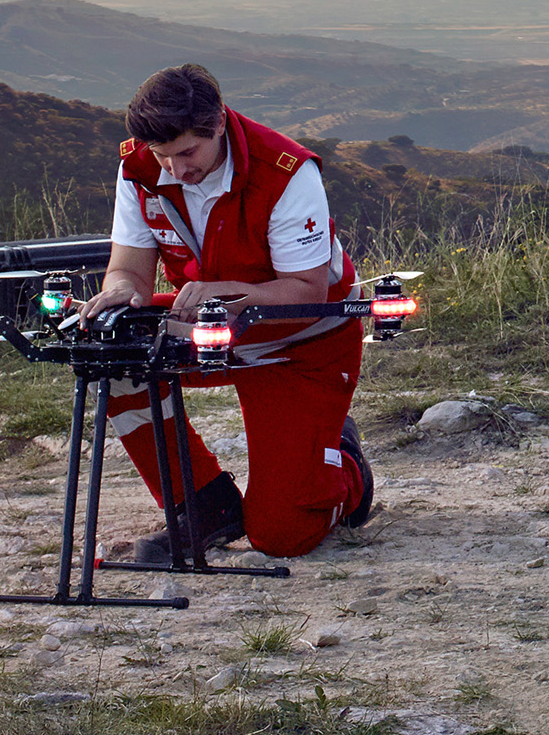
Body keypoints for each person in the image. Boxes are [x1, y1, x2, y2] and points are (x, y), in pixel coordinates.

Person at [73, 64, 376, 565]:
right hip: (212, 326)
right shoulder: (140, 167)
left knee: (282, 535)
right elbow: (127, 269)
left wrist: (224, 289)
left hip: (300, 341)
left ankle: (346, 469)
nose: (175, 169)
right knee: (113, 354)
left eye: (187, 152)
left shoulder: (286, 171)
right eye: (162, 155)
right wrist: (118, 295)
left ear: (217, 124)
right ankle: (202, 506)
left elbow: (306, 289)